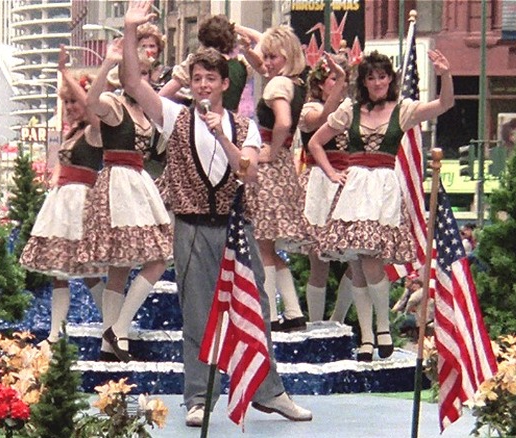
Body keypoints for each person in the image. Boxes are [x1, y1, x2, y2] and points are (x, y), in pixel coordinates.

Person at [121, 0, 312, 427]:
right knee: (197, 312)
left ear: (225, 83)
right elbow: (133, 83)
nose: (203, 86)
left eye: (210, 79)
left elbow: (247, 173)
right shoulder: (174, 116)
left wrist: (219, 136)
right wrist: (131, 31)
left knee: (257, 307)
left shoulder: (245, 128)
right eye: (197, 79)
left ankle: (269, 391)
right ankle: (197, 397)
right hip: (191, 226)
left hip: (235, 227)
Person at [307, 49, 454, 361]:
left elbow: (444, 104)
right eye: (372, 77)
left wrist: (444, 74)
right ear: (365, 81)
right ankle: (368, 336)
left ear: (391, 79)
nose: (377, 82)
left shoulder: (402, 110)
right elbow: (315, 142)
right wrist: (332, 173)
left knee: (371, 258)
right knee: (358, 263)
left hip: (384, 187)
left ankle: (381, 329)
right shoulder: (351, 109)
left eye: (383, 76)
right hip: (356, 186)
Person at [82, 37, 172, 363]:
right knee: (124, 265)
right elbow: (90, 103)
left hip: (138, 183)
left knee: (151, 257)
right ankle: (113, 338)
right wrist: (107, 63)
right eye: (137, 72)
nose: (141, 78)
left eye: (145, 73)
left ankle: (116, 330)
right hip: (118, 182)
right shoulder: (113, 102)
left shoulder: (146, 110)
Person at [19, 46, 108, 348]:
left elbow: (89, 105)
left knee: (89, 272)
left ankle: (111, 325)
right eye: (66, 101)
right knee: (59, 271)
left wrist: (64, 73)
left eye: (74, 101)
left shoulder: (96, 131)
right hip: (62, 203)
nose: (70, 106)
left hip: (82, 203)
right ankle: (55, 333)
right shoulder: (72, 134)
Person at [242, 24, 311, 332]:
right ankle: (293, 311)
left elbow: (282, 121)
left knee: (262, 246)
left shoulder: (275, 86)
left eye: (272, 57)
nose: (265, 62)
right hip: (283, 167)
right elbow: (265, 48)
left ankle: (269, 314)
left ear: (285, 56)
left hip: (269, 166)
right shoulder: (296, 82)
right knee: (268, 246)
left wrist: (272, 146)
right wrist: (248, 38)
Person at [297, 54, 354, 322]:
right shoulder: (309, 107)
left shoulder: (354, 109)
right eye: (334, 79)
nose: (340, 84)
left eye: (342, 78)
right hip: (319, 181)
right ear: (320, 84)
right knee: (318, 261)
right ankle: (316, 323)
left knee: (357, 258)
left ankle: (338, 319)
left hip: (349, 182)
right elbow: (319, 121)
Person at [159, 14, 263, 111]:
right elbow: (260, 38)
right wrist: (235, 27)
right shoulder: (242, 65)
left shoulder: (195, 64)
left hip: (199, 124)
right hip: (231, 125)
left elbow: (162, 96)